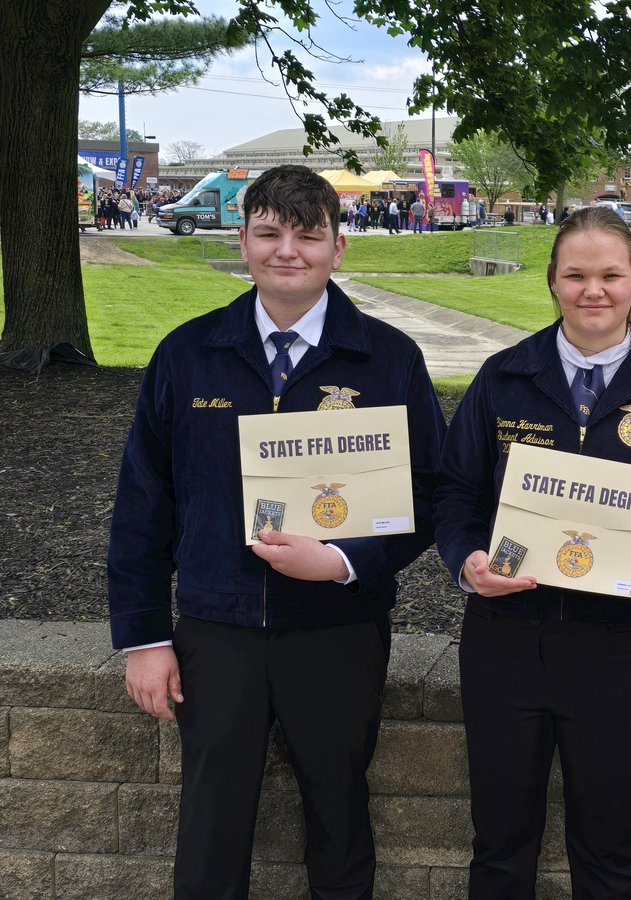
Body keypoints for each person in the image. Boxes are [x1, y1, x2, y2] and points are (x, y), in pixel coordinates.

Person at [108, 164, 447, 900]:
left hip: (337, 628)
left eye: (307, 234)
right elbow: (143, 504)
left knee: (338, 811)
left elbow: (428, 492)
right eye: (269, 232)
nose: (287, 250)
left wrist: (345, 562)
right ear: (243, 241)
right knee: (211, 824)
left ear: (338, 248)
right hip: (216, 626)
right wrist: (142, 637)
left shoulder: (387, 359)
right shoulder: (188, 353)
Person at [434, 206, 631, 900]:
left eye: (610, 275)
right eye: (576, 275)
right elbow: (455, 493)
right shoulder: (505, 378)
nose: (593, 290)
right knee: (500, 846)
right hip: (507, 642)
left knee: (608, 848)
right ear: (552, 282)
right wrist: (469, 561)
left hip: (618, 648)